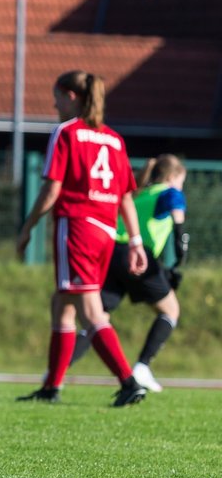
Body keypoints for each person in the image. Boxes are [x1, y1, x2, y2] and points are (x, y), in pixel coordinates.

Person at [15, 70, 149, 407]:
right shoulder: (114, 139)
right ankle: (51, 387)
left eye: (57, 96)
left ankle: (128, 381)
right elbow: (126, 198)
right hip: (105, 231)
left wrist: (28, 226)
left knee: (90, 309)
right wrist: (134, 242)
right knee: (63, 305)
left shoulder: (66, 133)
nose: (53, 103)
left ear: (71, 97)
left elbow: (51, 189)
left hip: (77, 227)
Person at [69, 154, 188, 393]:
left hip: (111, 253)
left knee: (97, 316)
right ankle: (142, 367)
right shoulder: (170, 193)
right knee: (171, 310)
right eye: (181, 180)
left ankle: (58, 368)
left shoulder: (139, 193)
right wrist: (178, 263)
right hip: (137, 255)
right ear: (173, 177)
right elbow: (179, 227)